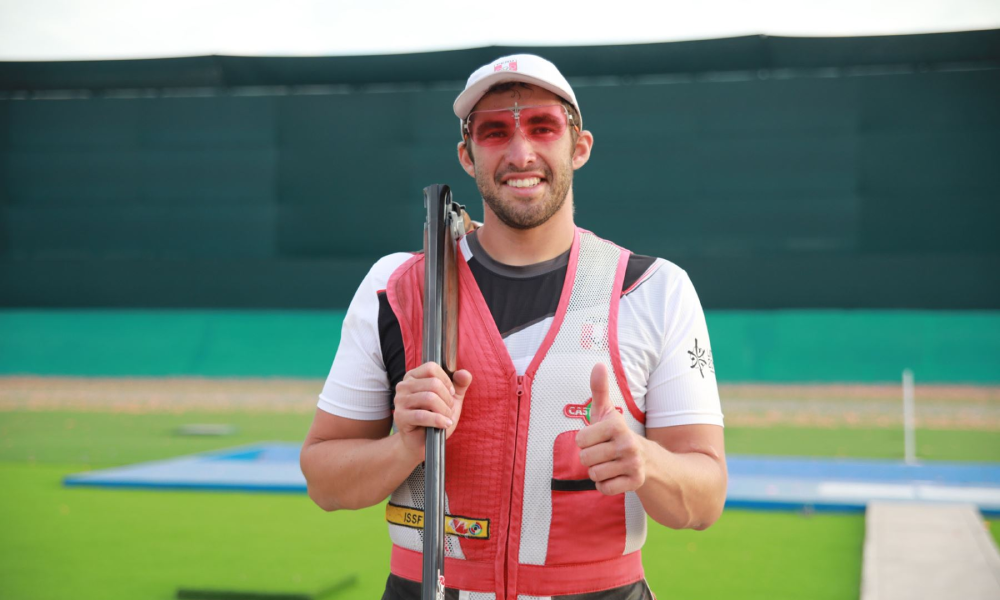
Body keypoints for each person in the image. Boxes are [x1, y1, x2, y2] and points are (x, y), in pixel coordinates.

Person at [301, 54, 727, 600]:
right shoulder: (397, 287)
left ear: (579, 146)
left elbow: (704, 500)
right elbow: (323, 478)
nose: (520, 152)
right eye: (495, 131)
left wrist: (645, 462)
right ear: (468, 155)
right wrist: (403, 447)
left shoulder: (652, 289)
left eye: (543, 126)